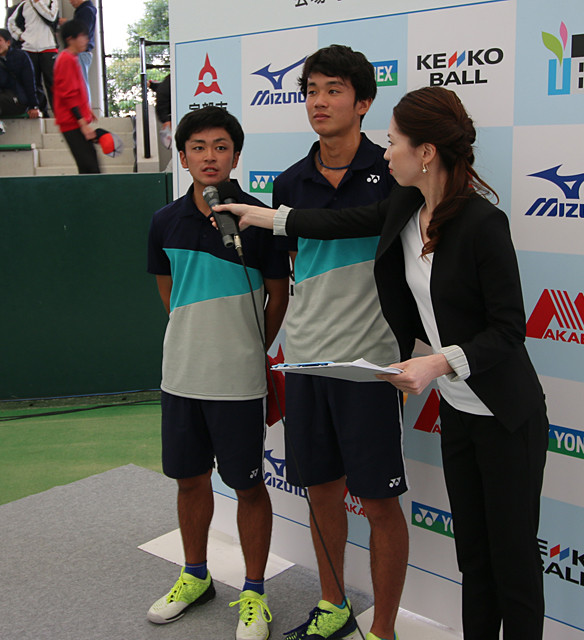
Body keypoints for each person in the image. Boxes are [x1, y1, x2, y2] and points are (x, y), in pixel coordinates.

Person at [214, 86, 549, 640]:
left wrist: (435, 364)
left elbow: (510, 331)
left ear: (426, 153)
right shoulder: (404, 205)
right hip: (460, 413)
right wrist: (264, 217)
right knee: (474, 559)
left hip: (506, 416)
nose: (384, 151)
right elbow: (340, 224)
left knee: (513, 562)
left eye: (393, 142)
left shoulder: (482, 224)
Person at [269, 44, 408, 640]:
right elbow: (290, 271)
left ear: (364, 100)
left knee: (378, 503)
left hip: (370, 365)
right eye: (310, 91)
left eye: (332, 90)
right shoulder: (287, 182)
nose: (319, 102)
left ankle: (385, 630)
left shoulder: (396, 171)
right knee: (322, 491)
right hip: (304, 361)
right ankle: (333, 605)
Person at [146, 106, 289, 640]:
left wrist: (251, 348)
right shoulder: (164, 221)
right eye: (199, 147)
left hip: (239, 379)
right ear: (182, 156)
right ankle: (196, 575)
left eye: (221, 146)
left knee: (249, 486)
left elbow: (279, 296)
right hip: (181, 375)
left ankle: (254, 591)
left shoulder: (259, 218)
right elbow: (168, 294)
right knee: (189, 480)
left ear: (236, 155)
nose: (210, 156)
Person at [53, 18, 98, 173]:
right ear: (70, 39)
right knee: (90, 168)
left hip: (74, 121)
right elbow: (68, 94)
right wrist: (82, 123)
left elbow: (76, 91)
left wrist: (87, 110)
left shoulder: (71, 58)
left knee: (89, 167)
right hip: (71, 122)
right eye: (82, 36)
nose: (86, 40)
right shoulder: (65, 59)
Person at [7, 0, 58, 117]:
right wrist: (19, 36)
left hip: (48, 47)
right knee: (34, 82)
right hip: (29, 48)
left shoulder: (52, 1)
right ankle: (41, 111)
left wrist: (37, 2)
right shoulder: (24, 4)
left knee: (52, 82)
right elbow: (11, 22)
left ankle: (58, 113)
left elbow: (51, 17)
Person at [59, 0, 96, 102]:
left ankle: (84, 110)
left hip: (82, 54)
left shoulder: (86, 11)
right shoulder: (86, 10)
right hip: (83, 53)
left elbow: (82, 30)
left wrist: (68, 24)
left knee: (81, 82)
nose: (70, 2)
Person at [0, 28, 41, 119]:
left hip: (19, 99)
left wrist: (33, 106)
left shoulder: (21, 56)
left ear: (8, 42)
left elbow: (29, 82)